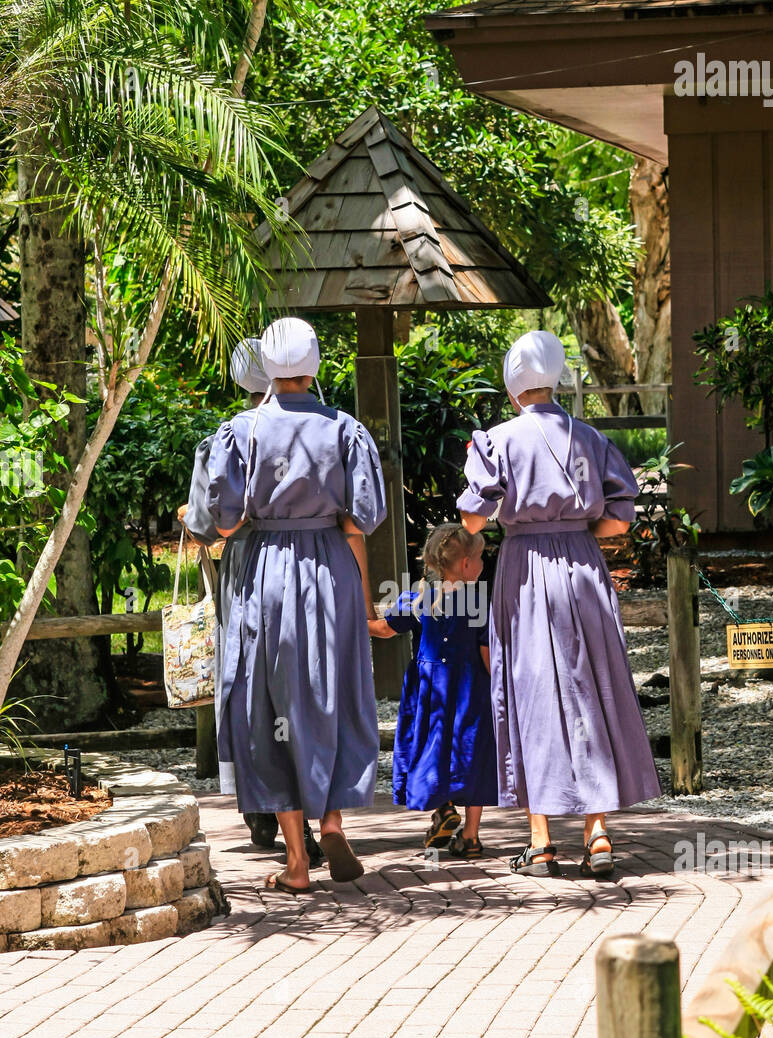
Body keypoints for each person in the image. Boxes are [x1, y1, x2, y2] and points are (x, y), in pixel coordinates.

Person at [457, 330, 660, 878]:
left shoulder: (496, 440)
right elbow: (620, 518)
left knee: (532, 693)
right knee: (589, 687)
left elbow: (474, 519)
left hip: (524, 568)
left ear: (513, 383)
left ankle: (541, 839)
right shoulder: (591, 438)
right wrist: (576, 525)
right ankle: (597, 833)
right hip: (585, 566)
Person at [206, 316, 386, 893]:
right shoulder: (345, 429)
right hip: (330, 567)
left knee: (269, 706)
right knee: (329, 691)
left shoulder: (241, 431)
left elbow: (223, 519)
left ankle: (296, 863)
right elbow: (364, 516)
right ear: (312, 365)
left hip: (264, 573)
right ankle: (332, 819)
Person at [178, 338, 324, 867]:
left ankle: (269, 810)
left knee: (256, 686)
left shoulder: (228, 440)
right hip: (317, 570)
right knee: (307, 683)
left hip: (252, 575)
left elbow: (206, 523)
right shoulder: (328, 427)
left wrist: (191, 520)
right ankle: (315, 810)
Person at [369, 523, 497, 859]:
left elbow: (383, 629)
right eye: (480, 557)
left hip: (429, 692)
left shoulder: (417, 596)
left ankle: (443, 807)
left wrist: (356, 619)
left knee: (431, 747)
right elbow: (487, 653)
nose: (484, 564)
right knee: (472, 754)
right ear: (467, 564)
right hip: (470, 689)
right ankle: (470, 836)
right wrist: (500, 687)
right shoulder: (480, 603)